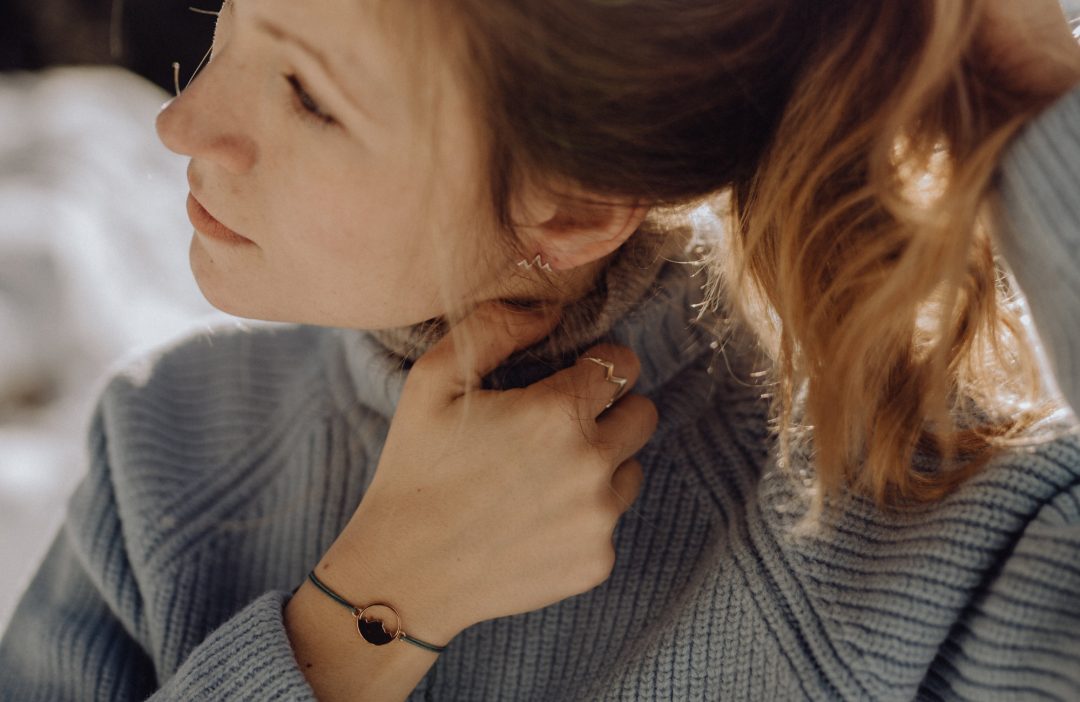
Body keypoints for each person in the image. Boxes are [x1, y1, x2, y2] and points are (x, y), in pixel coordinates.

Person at [1, 0, 1078, 700]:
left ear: (569, 209)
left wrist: (1037, 93)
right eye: (233, 16)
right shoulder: (162, 450)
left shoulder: (937, 527)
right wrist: (363, 616)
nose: (182, 124)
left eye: (308, 96)